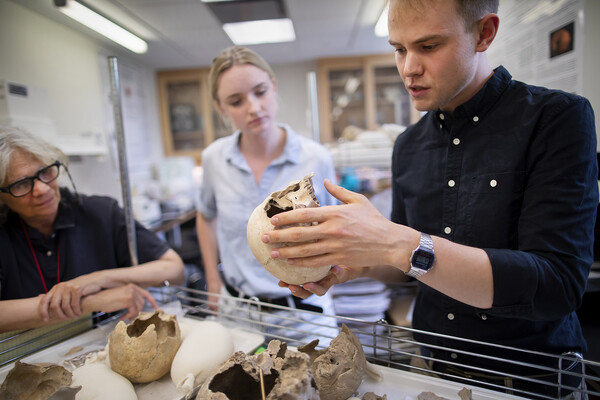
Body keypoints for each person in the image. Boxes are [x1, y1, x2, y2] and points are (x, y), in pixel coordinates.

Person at [262, 0, 598, 397]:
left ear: (484, 33)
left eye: (428, 46)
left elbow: (558, 284)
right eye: (400, 49)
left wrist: (395, 242)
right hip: (435, 372)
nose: (408, 68)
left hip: (528, 381)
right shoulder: (408, 145)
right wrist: (356, 263)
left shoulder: (556, 119)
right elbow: (409, 268)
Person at [196, 46, 339, 342]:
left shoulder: (315, 158)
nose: (253, 107)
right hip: (238, 314)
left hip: (305, 314)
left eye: (259, 92)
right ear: (221, 108)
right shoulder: (213, 159)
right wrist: (212, 279)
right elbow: (205, 215)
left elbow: (337, 229)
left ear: (273, 86)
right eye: (236, 101)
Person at [0, 127, 185, 332]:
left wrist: (97, 279)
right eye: (21, 184)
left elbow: (174, 269)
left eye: (45, 172)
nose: (42, 189)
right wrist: (89, 302)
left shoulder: (101, 213)